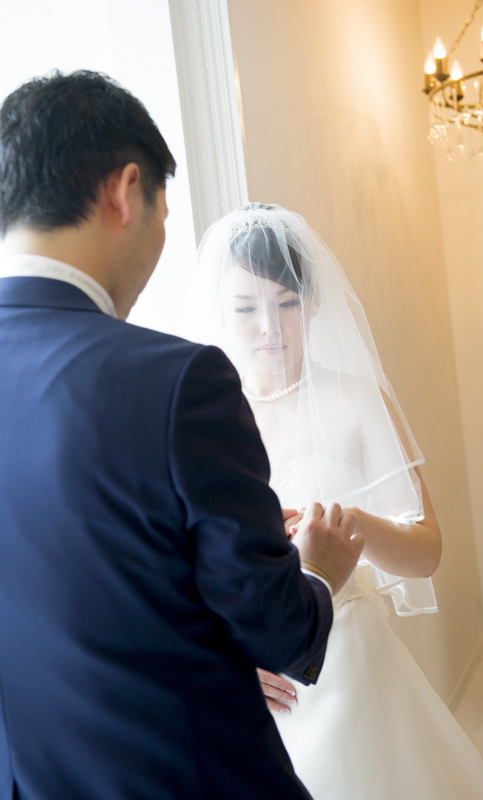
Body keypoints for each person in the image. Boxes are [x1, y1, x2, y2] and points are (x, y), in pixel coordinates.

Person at [0, 73, 365, 800]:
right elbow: (276, 628)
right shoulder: (178, 381)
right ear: (125, 191)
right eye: (164, 215)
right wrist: (319, 570)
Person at [187, 202, 483, 800]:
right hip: (257, 685)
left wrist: (352, 526)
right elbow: (177, 571)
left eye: (287, 303)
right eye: (246, 308)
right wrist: (227, 660)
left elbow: (427, 554)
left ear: (313, 303)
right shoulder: (200, 426)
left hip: (352, 663)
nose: (270, 327)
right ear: (219, 310)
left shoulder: (358, 401)